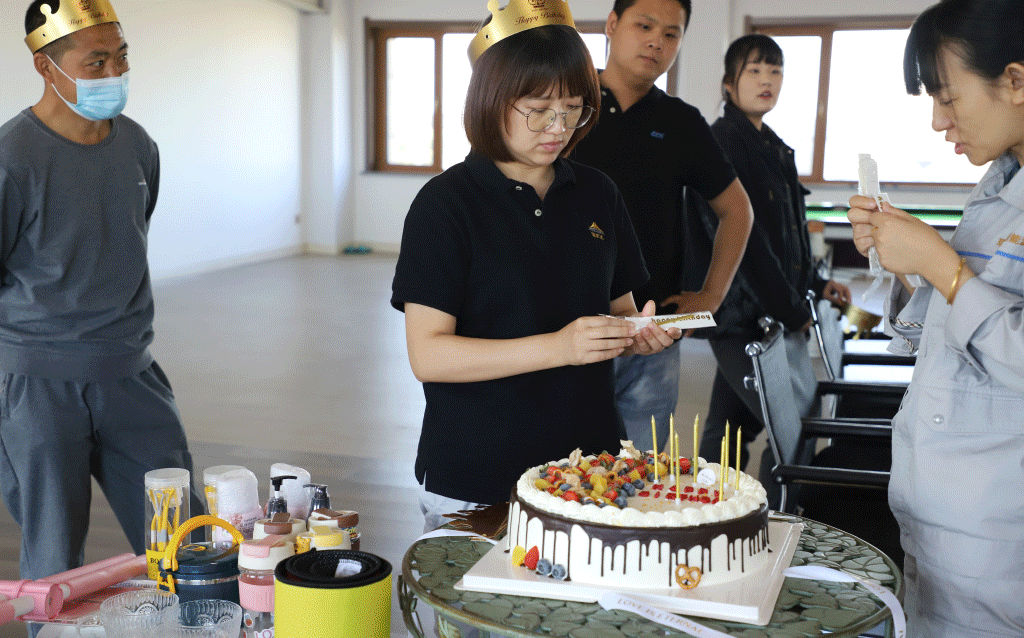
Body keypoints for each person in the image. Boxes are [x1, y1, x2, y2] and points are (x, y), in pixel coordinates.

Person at [391, 0, 680, 534]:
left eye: (573, 109)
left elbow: (617, 308)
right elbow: (428, 354)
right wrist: (559, 347)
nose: (558, 127)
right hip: (477, 475)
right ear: (491, 99)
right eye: (539, 108)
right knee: (477, 591)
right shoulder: (446, 204)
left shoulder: (597, 193)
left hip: (589, 469)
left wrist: (635, 332)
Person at [0, 0, 203, 590]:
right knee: (55, 561)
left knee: (182, 546)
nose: (114, 73)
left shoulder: (137, 146)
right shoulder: (12, 158)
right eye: (95, 62)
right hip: (39, 387)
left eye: (121, 57)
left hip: (132, 376)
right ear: (46, 66)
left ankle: (196, 626)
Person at [847, 0, 1024, 634]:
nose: (937, 121)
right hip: (943, 518)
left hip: (1000, 543)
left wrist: (941, 265)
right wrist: (909, 263)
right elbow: (947, 326)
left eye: (948, 98)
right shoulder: (999, 182)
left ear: (1015, 80)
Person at [571, 0, 754, 454]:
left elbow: (738, 211)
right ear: (612, 24)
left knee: (642, 466)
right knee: (562, 470)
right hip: (569, 327)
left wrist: (711, 296)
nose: (656, 42)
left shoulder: (680, 122)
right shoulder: (568, 104)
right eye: (644, 26)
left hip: (652, 331)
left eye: (671, 34)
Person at [697, 34, 851, 482]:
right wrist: (792, 310)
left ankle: (710, 506)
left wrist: (816, 283)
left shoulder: (773, 145)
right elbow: (748, 246)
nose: (766, 80)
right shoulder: (721, 143)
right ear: (729, 83)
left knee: (729, 428)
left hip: (767, 313)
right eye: (754, 70)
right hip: (740, 314)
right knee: (791, 431)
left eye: (775, 70)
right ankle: (778, 509)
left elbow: (789, 235)